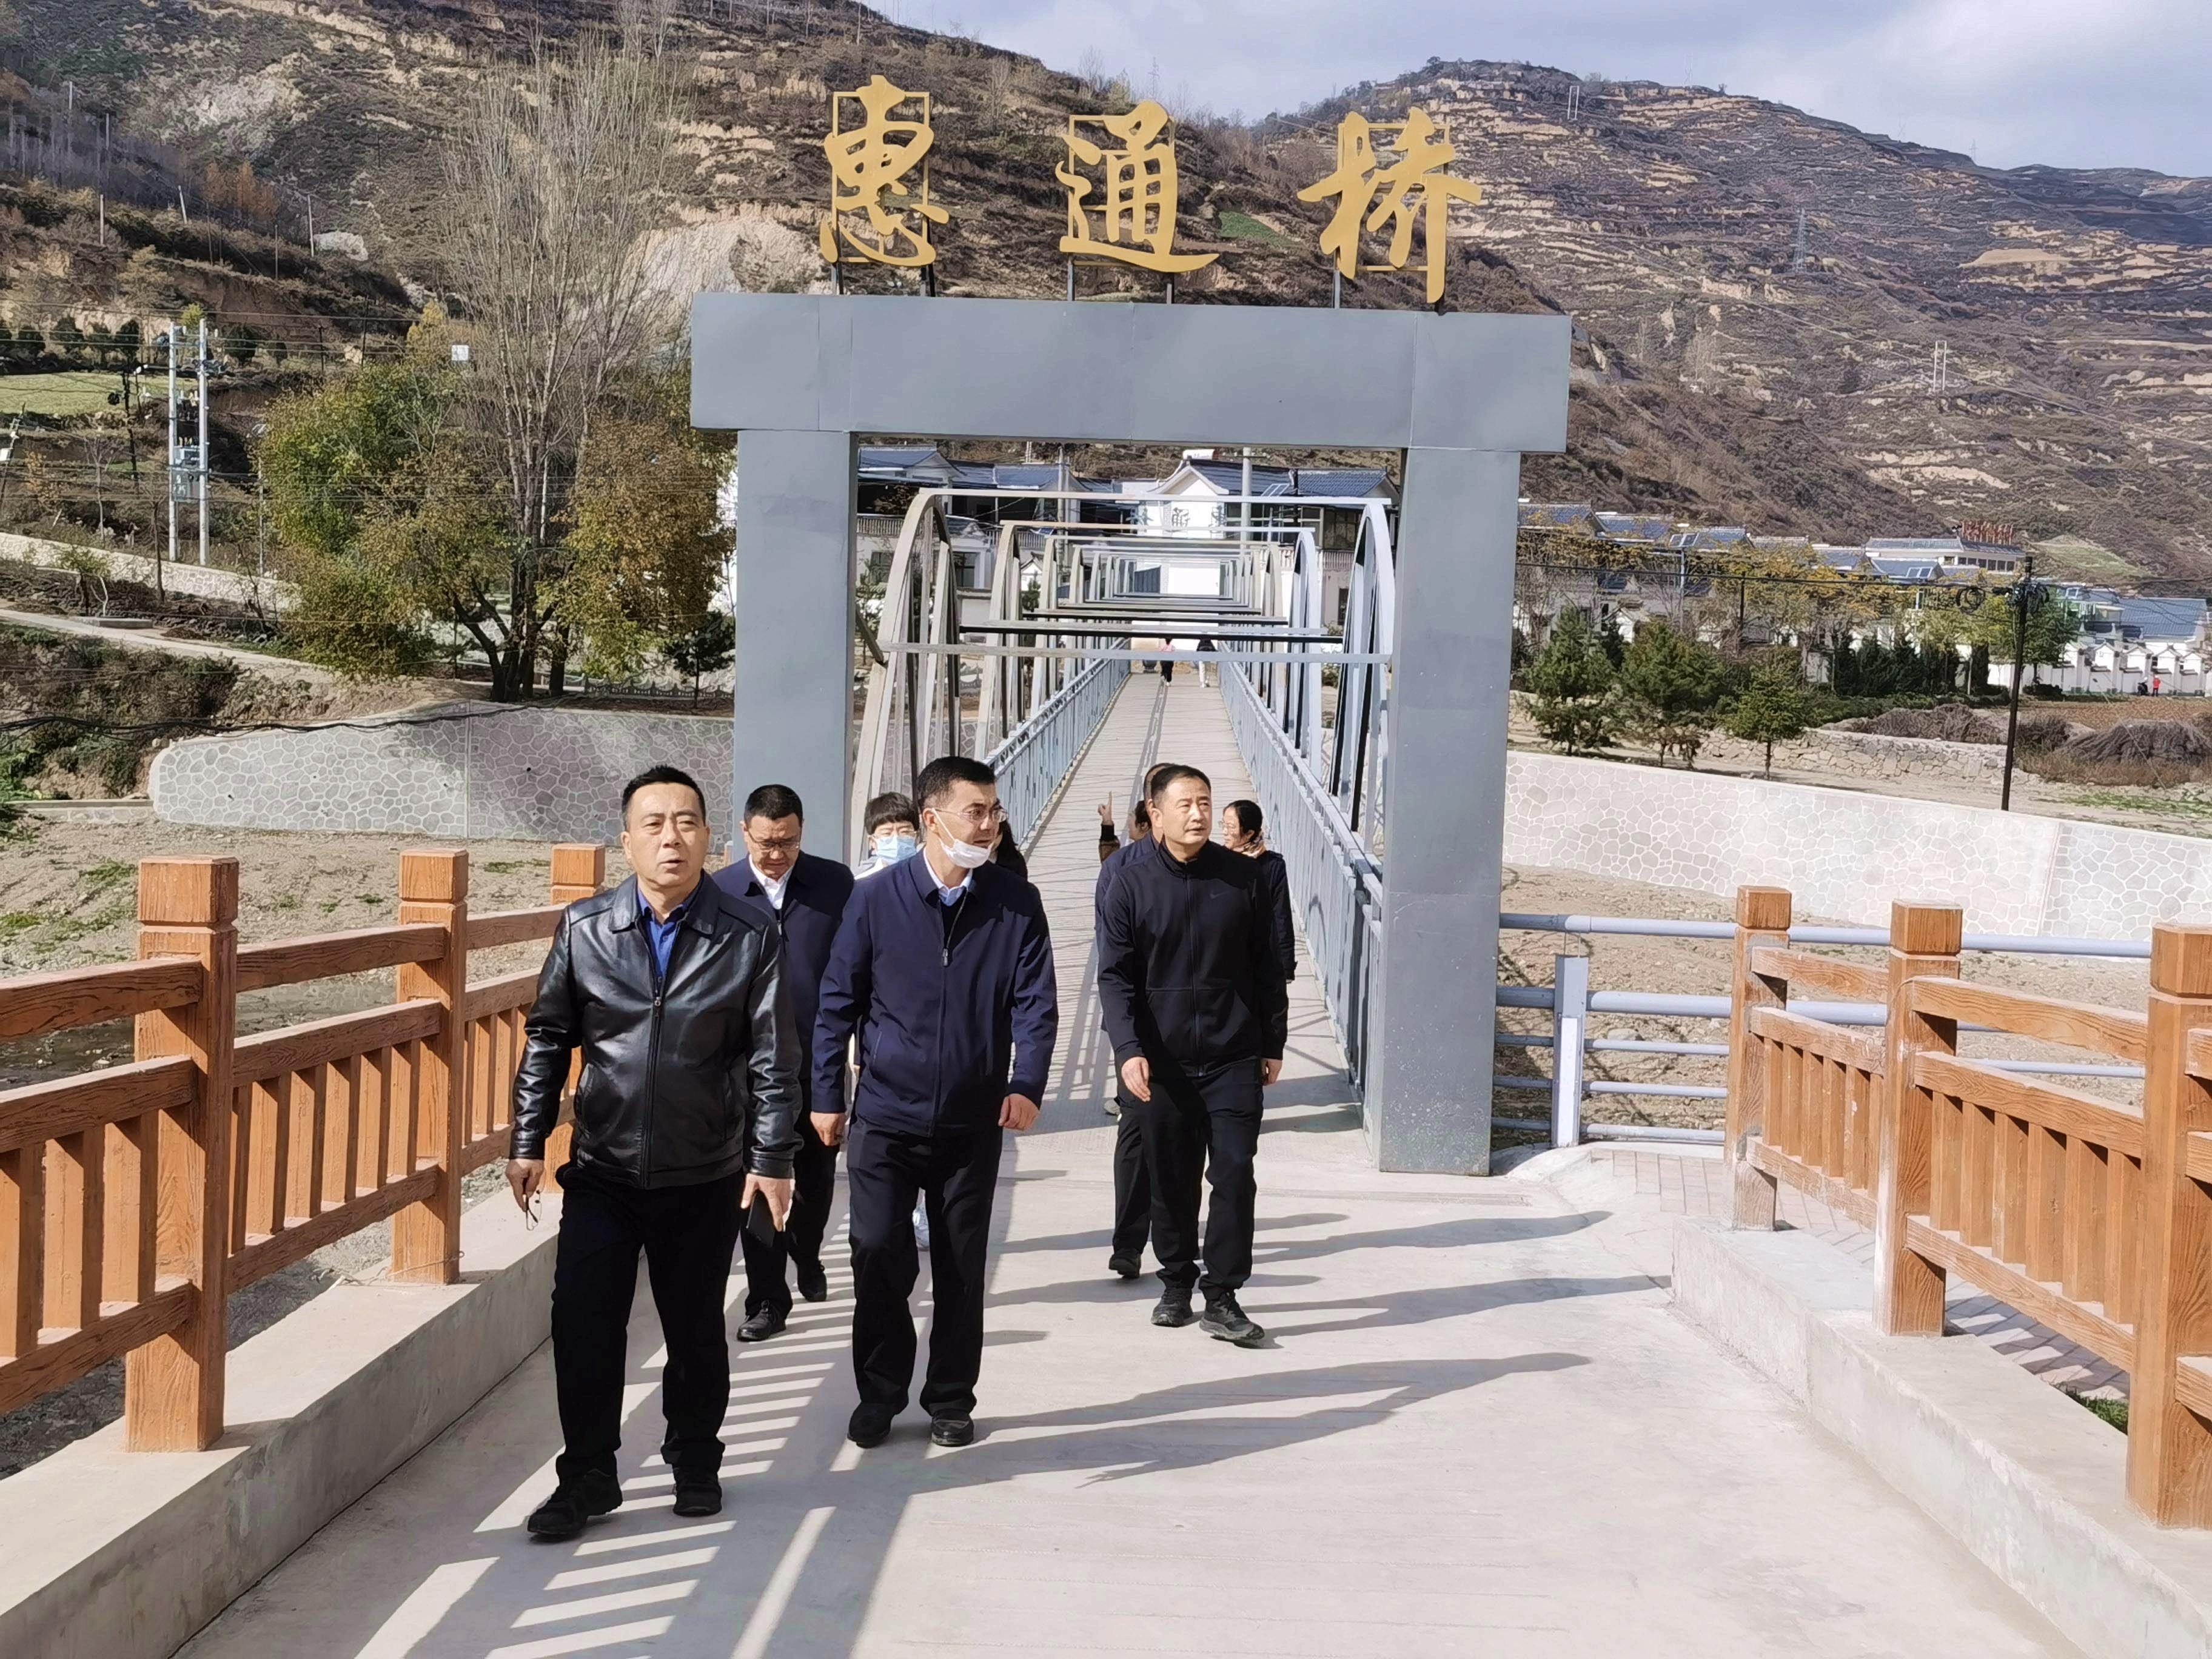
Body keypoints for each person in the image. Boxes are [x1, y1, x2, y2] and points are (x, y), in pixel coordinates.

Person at [508, 765, 800, 1540]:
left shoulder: (750, 934)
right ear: (628, 840)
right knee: (583, 1326)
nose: (672, 838)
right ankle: (588, 1476)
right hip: (602, 1170)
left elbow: (774, 1058)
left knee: (695, 1328)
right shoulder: (585, 928)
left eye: (687, 823)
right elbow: (548, 1037)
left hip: (703, 1170)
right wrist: (528, 1139)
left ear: (708, 837)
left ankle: (695, 1459)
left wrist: (773, 1158)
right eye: (655, 824)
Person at [815, 754, 1058, 1449]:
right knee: (876, 1252)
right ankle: (880, 1393)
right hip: (885, 1117)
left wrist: (1026, 1082)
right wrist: (827, 1095)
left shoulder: (1016, 902)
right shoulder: (874, 900)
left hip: (971, 1119)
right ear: (931, 818)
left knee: (960, 1263)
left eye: (994, 812)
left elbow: (1036, 1004)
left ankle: (950, 1397)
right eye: (974, 811)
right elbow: (837, 1004)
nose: (988, 825)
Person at [1099, 763, 1286, 1347]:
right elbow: (1114, 977)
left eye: (1205, 802)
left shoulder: (1243, 878)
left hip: (1234, 1055)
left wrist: (1273, 1042)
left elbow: (1268, 965)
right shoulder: (1129, 882)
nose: (1198, 814)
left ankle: (1223, 1295)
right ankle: (1176, 1281)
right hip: (1163, 1062)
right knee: (1172, 1179)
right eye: (1184, 804)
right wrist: (1129, 1049)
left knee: (1234, 1173)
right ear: (1155, 814)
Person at [715, 784, 856, 1343]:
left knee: (817, 1182)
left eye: (789, 843)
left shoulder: (835, 885)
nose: (777, 854)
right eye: (766, 843)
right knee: (756, 1182)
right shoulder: (719, 891)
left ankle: (808, 1251)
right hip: (749, 1073)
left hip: (818, 1063)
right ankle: (768, 1300)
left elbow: (855, 972)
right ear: (745, 833)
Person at [1094, 785, 1160, 1281]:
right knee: (1136, 1132)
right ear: (1153, 815)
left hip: (1206, 1036)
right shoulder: (1121, 871)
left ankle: (1178, 1248)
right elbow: (1111, 958)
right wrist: (1124, 1036)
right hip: (1141, 1028)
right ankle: (1129, 1243)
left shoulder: (1223, 873)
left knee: (1189, 1143)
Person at [1222, 798, 1296, 985]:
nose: (1225, 832)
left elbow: (1281, 915)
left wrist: (1286, 965)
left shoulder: (1272, 866)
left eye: (1231, 827)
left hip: (1259, 957)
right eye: (1224, 825)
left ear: (1249, 833)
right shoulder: (1217, 860)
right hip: (1223, 957)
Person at [856, 792, 920, 878]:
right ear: (872, 841)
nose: (896, 839)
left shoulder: (930, 878)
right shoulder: (862, 882)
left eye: (904, 832)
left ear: (917, 837)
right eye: (887, 833)